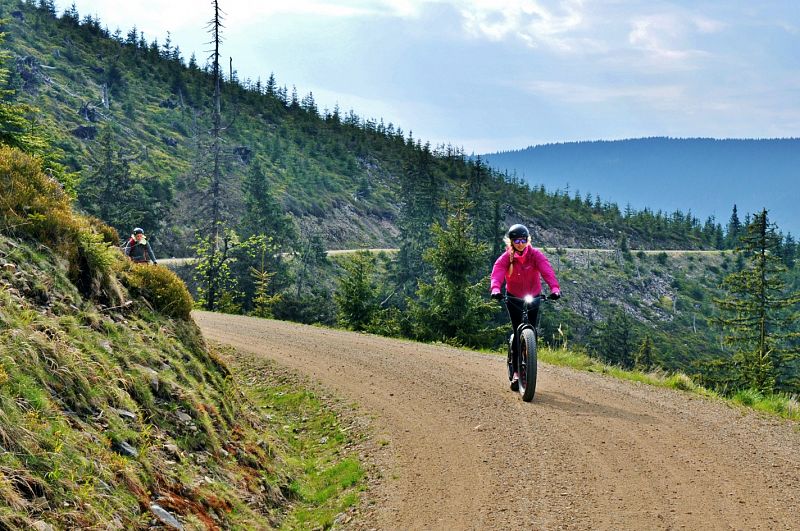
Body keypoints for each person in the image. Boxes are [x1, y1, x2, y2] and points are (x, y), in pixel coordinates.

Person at [490, 224, 560, 390]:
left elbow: (547, 271)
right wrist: (495, 289)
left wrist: (555, 289)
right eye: (516, 240)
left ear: (528, 240)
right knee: (517, 330)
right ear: (511, 241)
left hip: (533, 296)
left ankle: (530, 360)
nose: (520, 243)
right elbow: (498, 272)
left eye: (523, 240)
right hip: (513, 297)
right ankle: (515, 372)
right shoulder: (506, 257)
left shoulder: (535, 255)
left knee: (532, 330)